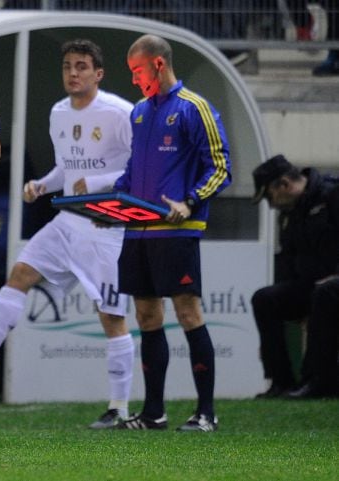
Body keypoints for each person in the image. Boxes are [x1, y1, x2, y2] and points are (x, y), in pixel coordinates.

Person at [0, 39, 135, 430]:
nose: (73, 73)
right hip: (67, 220)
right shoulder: (59, 112)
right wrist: (41, 185)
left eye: (81, 66)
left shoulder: (119, 113)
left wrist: (94, 182)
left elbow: (137, 169)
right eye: (67, 66)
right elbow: (65, 169)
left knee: (110, 315)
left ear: (98, 74)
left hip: (105, 224)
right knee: (21, 273)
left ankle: (120, 408)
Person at [113, 34, 231, 432]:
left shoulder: (194, 108)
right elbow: (132, 170)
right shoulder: (140, 112)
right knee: (147, 316)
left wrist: (190, 201)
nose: (133, 80)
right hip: (138, 231)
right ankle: (153, 412)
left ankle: (207, 413)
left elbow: (220, 168)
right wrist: (111, 202)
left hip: (177, 231)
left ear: (158, 65)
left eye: (137, 71)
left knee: (187, 312)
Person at [250, 154, 339, 399]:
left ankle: (318, 381)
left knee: (325, 293)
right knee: (265, 299)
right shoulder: (290, 214)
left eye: (269, 195)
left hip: (333, 284)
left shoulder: (332, 194)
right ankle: (281, 382)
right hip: (312, 285)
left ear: (284, 185)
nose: (271, 203)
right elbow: (287, 262)